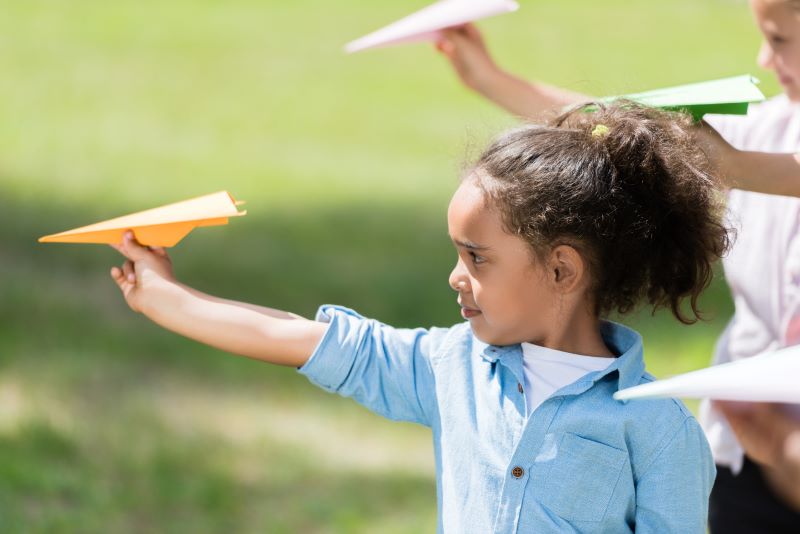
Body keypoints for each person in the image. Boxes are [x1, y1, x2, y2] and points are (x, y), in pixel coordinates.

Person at [109, 103, 725, 532]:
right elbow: (299, 338)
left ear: (562, 271)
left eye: (476, 258)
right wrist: (168, 298)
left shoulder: (659, 430)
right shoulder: (448, 366)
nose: (456, 277)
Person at [435, 1, 800, 530]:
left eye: (782, 40)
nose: (765, 59)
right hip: (746, 444)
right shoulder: (771, 126)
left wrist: (737, 168)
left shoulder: (756, 150)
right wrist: (488, 78)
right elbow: (617, 127)